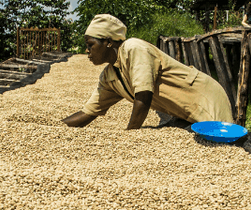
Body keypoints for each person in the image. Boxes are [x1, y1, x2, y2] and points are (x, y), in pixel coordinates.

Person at [62, 14, 233, 130]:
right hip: (183, 111)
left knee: (222, 144)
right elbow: (88, 112)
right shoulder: (109, 75)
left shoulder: (133, 48)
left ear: (107, 42)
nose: (87, 51)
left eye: (90, 45)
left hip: (204, 97)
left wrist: (130, 137)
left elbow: (143, 96)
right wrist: (56, 128)